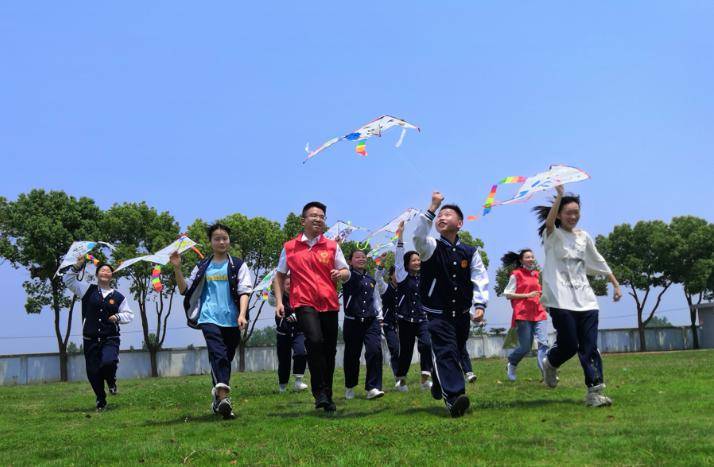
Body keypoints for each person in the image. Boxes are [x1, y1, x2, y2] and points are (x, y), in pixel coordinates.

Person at [534, 185, 622, 407]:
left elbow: (597, 259)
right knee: (569, 345)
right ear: (560, 215)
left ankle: (595, 392)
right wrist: (560, 196)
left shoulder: (584, 236)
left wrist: (615, 283)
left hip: (586, 300)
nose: (573, 216)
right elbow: (548, 223)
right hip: (560, 299)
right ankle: (550, 363)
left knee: (589, 346)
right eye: (568, 212)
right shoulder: (552, 235)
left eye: (576, 212)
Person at [413, 192, 489, 417]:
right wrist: (432, 207)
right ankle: (455, 398)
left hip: (462, 313)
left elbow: (480, 277)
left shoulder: (470, 252)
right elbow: (417, 237)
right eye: (440, 216)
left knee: (453, 352)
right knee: (445, 351)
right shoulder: (430, 246)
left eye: (448, 214)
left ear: (460, 223)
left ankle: (439, 382)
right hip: (437, 313)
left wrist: (480, 305)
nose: (442, 218)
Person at [273, 201, 350, 413]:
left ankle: (328, 394)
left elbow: (346, 271)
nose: (318, 219)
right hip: (303, 302)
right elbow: (279, 276)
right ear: (303, 220)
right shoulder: (290, 247)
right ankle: (320, 393)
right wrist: (280, 301)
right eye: (313, 215)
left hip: (329, 303)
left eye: (322, 216)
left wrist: (340, 274)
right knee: (314, 341)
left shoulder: (332, 246)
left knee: (329, 350)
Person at [172, 223, 253, 420]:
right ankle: (224, 398)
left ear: (229, 241)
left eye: (224, 238)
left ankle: (218, 399)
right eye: (217, 238)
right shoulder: (202, 266)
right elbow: (185, 289)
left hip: (232, 319)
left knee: (225, 358)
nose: (221, 241)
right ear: (211, 242)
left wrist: (242, 315)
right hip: (208, 317)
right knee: (219, 355)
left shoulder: (238, 265)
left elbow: (245, 291)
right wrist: (177, 268)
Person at [64, 256, 134, 411]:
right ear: (97, 274)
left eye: (108, 270)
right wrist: (77, 265)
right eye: (102, 269)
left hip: (110, 338)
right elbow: (68, 280)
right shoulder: (86, 290)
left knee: (108, 362)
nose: (105, 272)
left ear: (111, 275)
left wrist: (117, 317)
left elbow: (129, 314)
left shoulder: (118, 296)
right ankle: (100, 400)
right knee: (93, 372)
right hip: (90, 339)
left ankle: (111, 381)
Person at [393, 221, 433, 392]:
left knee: (426, 344)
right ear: (407, 263)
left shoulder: (424, 276)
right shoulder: (402, 276)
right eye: (414, 260)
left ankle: (425, 378)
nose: (417, 262)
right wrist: (400, 236)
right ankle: (401, 380)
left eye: (419, 260)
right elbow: (398, 257)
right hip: (405, 320)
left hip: (423, 318)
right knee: (406, 351)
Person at [342, 250, 385, 400]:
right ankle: (350, 386)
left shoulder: (370, 279)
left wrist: (380, 317)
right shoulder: (347, 276)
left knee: (375, 350)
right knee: (352, 356)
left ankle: (373, 387)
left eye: (363, 257)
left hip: (371, 321)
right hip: (352, 322)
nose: (361, 259)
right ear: (350, 261)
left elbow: (376, 299)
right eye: (357, 257)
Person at [501, 249, 549, 381]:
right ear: (521, 260)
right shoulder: (516, 274)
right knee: (525, 348)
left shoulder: (535, 274)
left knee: (543, 343)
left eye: (532, 257)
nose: (531, 259)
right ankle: (512, 363)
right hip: (523, 314)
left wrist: (545, 304)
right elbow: (507, 294)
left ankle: (546, 374)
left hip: (539, 313)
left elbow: (539, 293)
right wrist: (527, 295)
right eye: (528, 257)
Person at [268, 275, 308, 393]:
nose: (290, 287)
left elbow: (306, 309)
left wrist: (298, 315)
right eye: (287, 284)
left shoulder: (301, 295)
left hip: (298, 332)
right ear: (282, 286)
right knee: (284, 360)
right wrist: (274, 289)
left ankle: (298, 381)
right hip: (283, 333)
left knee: (301, 352)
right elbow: (270, 301)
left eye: (292, 284)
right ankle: (282, 386)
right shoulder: (277, 298)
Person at [375, 262, 400, 381]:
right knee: (395, 349)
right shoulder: (385, 287)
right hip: (389, 324)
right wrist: (380, 266)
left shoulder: (405, 288)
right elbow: (378, 278)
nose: (400, 275)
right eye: (397, 273)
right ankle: (398, 377)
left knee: (404, 351)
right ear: (391, 275)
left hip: (404, 322)